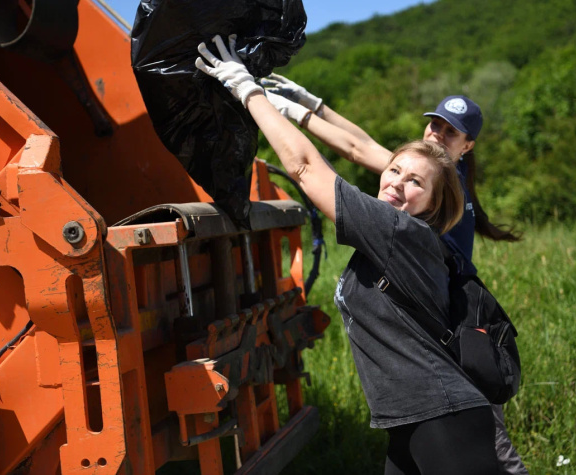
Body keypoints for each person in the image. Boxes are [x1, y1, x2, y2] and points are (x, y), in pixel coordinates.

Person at [196, 34, 502, 474]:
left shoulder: (399, 231)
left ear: (435, 201)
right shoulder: (401, 224)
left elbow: (306, 166)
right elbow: (361, 147)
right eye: (394, 170)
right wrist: (313, 108)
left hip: (444, 418)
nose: (397, 182)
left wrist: (248, 90)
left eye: (415, 182)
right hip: (410, 421)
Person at [260, 76, 527, 474]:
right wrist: (314, 105)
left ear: (467, 146)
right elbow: (366, 147)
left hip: (447, 356)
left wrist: (293, 111)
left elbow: (357, 150)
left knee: (502, 459)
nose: (436, 135)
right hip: (435, 364)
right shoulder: (434, 176)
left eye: (450, 132)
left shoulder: (438, 183)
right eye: (434, 124)